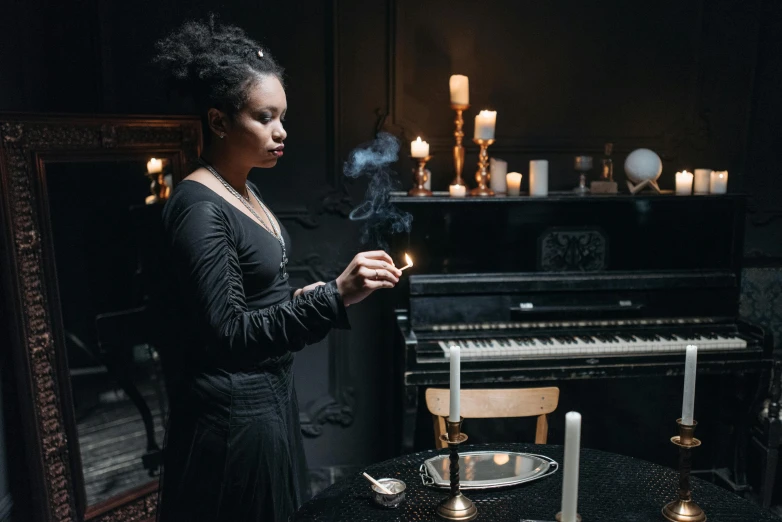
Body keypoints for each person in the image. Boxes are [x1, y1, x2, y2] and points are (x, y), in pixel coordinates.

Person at [153, 16, 402, 521]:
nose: (281, 131)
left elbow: (251, 300)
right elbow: (226, 333)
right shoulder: (200, 208)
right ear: (219, 121)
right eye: (264, 117)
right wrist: (333, 295)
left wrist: (300, 299)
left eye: (282, 116)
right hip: (232, 420)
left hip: (268, 402)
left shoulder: (242, 187)